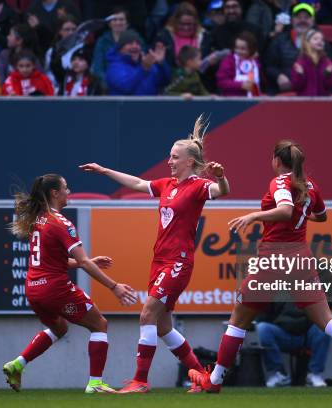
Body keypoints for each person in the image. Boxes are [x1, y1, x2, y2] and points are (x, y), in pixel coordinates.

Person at [188, 140, 332, 393]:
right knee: (327, 320)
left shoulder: (280, 182)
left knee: (237, 321)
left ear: (276, 160)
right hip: (300, 258)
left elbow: (284, 210)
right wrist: (302, 215)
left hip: (274, 257)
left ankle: (214, 380)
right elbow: (322, 215)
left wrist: (253, 216)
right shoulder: (310, 185)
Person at [80, 115, 230, 393]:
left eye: (175, 157)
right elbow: (137, 183)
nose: (170, 161)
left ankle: (140, 381)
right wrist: (104, 171)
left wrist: (221, 177)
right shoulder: (167, 185)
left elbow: (221, 191)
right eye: (169, 156)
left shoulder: (198, 186)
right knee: (162, 327)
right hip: (159, 261)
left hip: (178, 262)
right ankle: (203, 378)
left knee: (146, 315)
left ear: (189, 162)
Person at [3, 174, 137, 394]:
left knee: (59, 327)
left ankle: (17, 364)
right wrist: (114, 286)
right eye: (66, 187)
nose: (69, 191)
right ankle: (95, 384)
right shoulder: (61, 222)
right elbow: (82, 261)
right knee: (99, 325)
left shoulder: (38, 219)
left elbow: (58, 260)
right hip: (55, 288)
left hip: (33, 289)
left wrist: (89, 262)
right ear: (55, 193)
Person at [256, 301, 332, 387]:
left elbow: (330, 302)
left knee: (325, 326)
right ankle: (279, 374)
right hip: (282, 332)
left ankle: (314, 374)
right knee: (261, 328)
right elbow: (264, 311)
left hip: (307, 334)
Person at [265, 2, 319, 94]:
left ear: (313, 21)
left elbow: (327, 65)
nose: (302, 20)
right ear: (292, 20)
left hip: (313, 89)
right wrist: (278, 76)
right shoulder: (280, 40)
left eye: (306, 17)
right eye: (298, 17)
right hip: (284, 89)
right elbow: (269, 66)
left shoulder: (320, 41)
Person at [105, 29, 171, 95]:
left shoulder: (147, 64)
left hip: (150, 105)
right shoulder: (114, 68)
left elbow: (165, 82)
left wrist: (161, 64)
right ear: (120, 49)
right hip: (126, 105)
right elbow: (126, 88)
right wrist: (143, 69)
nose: (135, 46)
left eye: (137, 43)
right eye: (130, 43)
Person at [153, 2, 212, 70]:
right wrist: (161, 63)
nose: (186, 28)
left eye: (189, 24)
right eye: (182, 24)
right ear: (175, 22)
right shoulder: (163, 37)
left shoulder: (206, 37)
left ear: (196, 23)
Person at [290, 29, 332, 96]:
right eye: (315, 39)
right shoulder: (300, 62)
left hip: (322, 102)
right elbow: (296, 86)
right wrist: (300, 75)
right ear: (307, 43)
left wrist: (328, 74)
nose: (320, 41)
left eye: (322, 40)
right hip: (305, 102)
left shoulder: (327, 62)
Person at [216, 31, 261, 97]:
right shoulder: (229, 61)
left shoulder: (255, 62)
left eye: (243, 49)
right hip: (232, 102)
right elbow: (221, 81)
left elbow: (257, 82)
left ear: (251, 49)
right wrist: (241, 85)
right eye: (237, 48)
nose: (238, 51)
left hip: (253, 102)